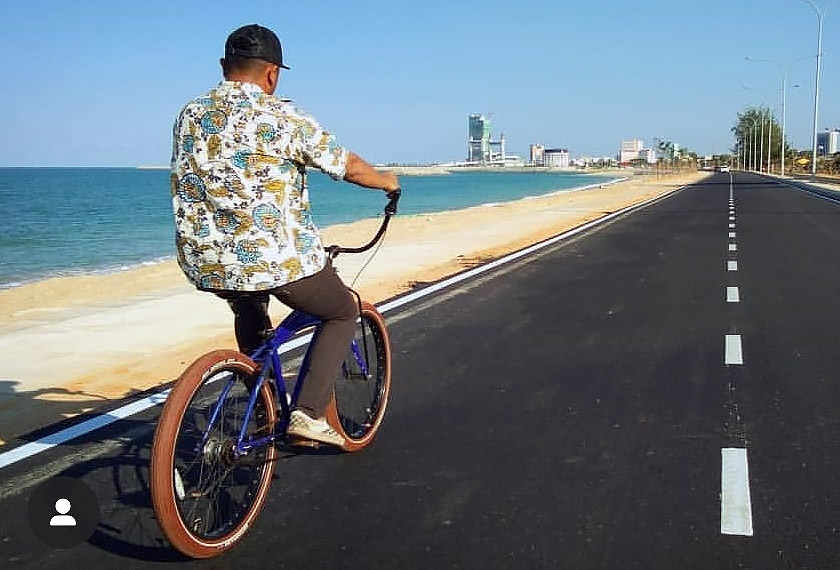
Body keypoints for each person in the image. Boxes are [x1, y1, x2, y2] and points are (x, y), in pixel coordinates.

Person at [170, 24, 399, 446]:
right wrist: (387, 181)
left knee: (249, 308)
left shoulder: (189, 114)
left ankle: (265, 405)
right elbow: (345, 165)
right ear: (272, 74)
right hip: (275, 259)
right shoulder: (283, 117)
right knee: (343, 310)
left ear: (224, 66)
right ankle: (307, 414)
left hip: (205, 258)